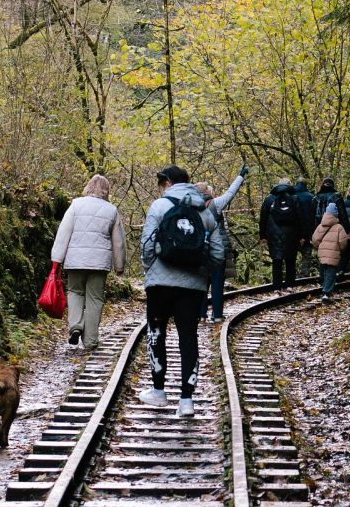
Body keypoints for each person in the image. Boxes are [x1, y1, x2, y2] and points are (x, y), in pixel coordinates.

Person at [139, 165, 223, 418]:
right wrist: (201, 271)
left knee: (156, 333)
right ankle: (186, 400)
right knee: (188, 337)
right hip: (193, 286)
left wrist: (151, 269)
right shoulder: (205, 212)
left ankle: (158, 391)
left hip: (159, 285)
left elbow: (147, 245)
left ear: (167, 182)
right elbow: (218, 254)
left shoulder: (159, 206)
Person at [51, 174, 125, 353]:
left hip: (75, 260)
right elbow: (119, 242)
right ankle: (90, 340)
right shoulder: (111, 210)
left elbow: (63, 233)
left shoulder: (76, 205)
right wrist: (119, 266)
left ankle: (75, 326)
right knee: (95, 298)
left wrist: (57, 259)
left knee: (75, 291)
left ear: (88, 187)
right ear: (106, 190)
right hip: (99, 264)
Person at [196, 164, 249, 324]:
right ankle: (217, 315)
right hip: (217, 250)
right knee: (217, 284)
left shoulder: (189, 207)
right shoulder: (215, 204)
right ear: (207, 192)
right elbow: (230, 193)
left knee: (201, 284)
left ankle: (201, 315)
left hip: (199, 251)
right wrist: (240, 176)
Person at [260, 177, 303, 287]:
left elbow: (263, 218)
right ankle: (289, 286)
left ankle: (276, 287)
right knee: (290, 260)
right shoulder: (295, 198)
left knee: (276, 260)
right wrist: (302, 235)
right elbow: (301, 218)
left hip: (274, 235)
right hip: (292, 235)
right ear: (290, 185)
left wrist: (262, 236)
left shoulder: (269, 199)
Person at [311, 202, 350, 302]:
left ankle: (323, 286)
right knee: (331, 272)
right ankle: (326, 293)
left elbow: (314, 239)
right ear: (336, 215)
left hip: (322, 253)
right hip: (334, 253)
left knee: (323, 270)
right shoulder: (339, 227)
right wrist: (341, 249)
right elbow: (343, 242)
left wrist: (320, 247)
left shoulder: (320, 226)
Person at [293, 177, 316, 275]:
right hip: (308, 231)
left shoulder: (290, 195)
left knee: (291, 255)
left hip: (292, 232)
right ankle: (304, 275)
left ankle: (291, 275)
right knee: (306, 255)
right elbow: (314, 215)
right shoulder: (311, 197)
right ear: (306, 185)